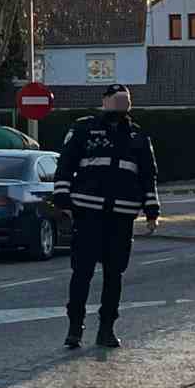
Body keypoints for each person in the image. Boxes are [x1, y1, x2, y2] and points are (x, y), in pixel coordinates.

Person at [53, 84, 160, 349]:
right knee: (82, 272)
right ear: (104, 102)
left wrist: (152, 211)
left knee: (115, 275)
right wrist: (63, 200)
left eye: (126, 101)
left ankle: (106, 330)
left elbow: (148, 176)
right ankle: (75, 329)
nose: (122, 106)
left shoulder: (137, 135)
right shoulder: (84, 129)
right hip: (88, 213)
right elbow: (65, 164)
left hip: (121, 215)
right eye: (117, 100)